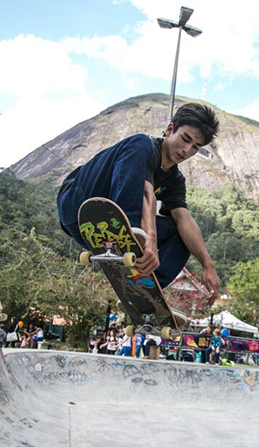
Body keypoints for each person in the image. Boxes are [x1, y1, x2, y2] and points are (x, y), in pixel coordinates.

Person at [56, 103, 221, 305]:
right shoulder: (145, 148)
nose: (186, 150)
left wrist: (207, 263)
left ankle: (144, 286)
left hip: (96, 233)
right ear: (170, 130)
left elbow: (184, 219)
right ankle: (130, 233)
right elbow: (146, 192)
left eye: (196, 147)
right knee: (139, 143)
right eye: (185, 139)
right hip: (78, 203)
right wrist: (149, 236)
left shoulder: (176, 181)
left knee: (183, 234)